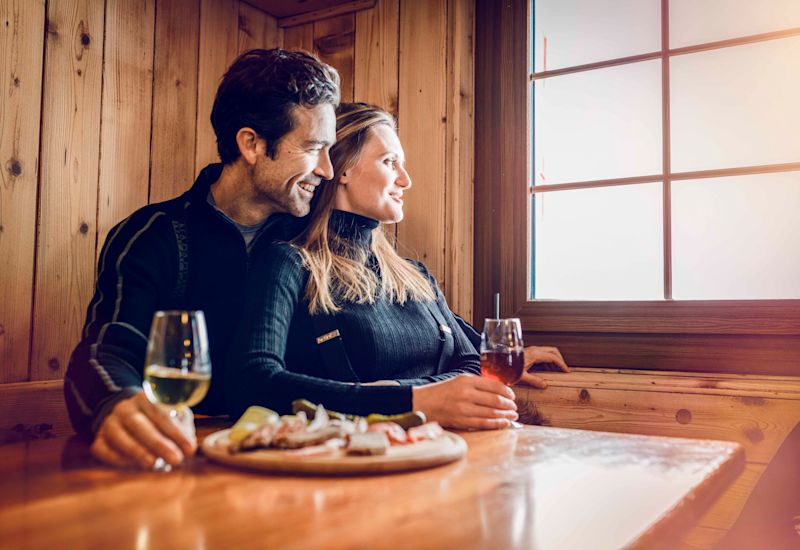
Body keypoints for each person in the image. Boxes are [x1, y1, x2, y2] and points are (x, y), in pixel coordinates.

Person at [64, 49, 341, 470]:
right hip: (185, 456)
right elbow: (106, 352)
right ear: (251, 144)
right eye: (313, 148)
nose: (327, 170)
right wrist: (115, 404)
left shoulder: (314, 239)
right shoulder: (151, 236)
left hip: (309, 458)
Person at [226, 103, 569, 430]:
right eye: (390, 162)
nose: (405, 180)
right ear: (342, 169)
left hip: (452, 447)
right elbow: (252, 382)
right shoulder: (290, 263)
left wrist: (417, 395)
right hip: (359, 458)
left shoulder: (415, 275)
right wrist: (413, 400)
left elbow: (469, 363)